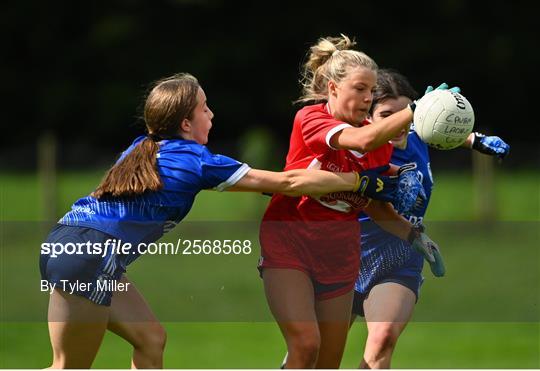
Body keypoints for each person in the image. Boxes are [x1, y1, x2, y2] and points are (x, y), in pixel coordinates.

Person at [39, 72, 401, 369]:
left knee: (151, 340)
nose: (211, 115)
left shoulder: (141, 146)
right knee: (69, 368)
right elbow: (289, 182)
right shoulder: (198, 160)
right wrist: (362, 181)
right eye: (204, 108)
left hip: (70, 244)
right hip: (90, 256)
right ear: (185, 122)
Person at [259, 35, 445, 369]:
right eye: (359, 88)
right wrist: (417, 110)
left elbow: (372, 204)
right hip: (290, 243)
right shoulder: (312, 119)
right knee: (305, 346)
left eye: (371, 91)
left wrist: (413, 236)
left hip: (340, 253)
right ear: (332, 88)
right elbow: (362, 138)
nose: (366, 98)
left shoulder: (381, 146)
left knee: (328, 362)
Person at [351, 69, 510, 369]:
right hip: (346, 255)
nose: (400, 125)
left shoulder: (417, 132)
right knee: (313, 357)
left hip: (401, 257)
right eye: (387, 115)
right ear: (368, 118)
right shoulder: (358, 147)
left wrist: (475, 140)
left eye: (405, 114)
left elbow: (437, 125)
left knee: (383, 338)